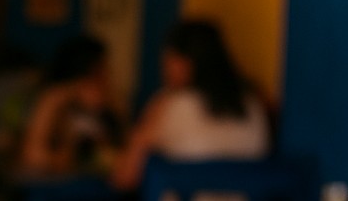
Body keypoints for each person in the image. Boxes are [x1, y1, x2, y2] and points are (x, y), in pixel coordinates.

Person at [110, 19, 271, 191]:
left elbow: (125, 177)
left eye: (168, 60)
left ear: (182, 62)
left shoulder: (171, 104)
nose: (164, 70)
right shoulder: (253, 104)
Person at [18, 35, 124, 178]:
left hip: (94, 184)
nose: (106, 75)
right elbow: (31, 156)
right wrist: (69, 91)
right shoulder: (53, 99)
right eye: (99, 70)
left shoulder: (107, 105)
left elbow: (123, 153)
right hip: (52, 184)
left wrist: (114, 104)